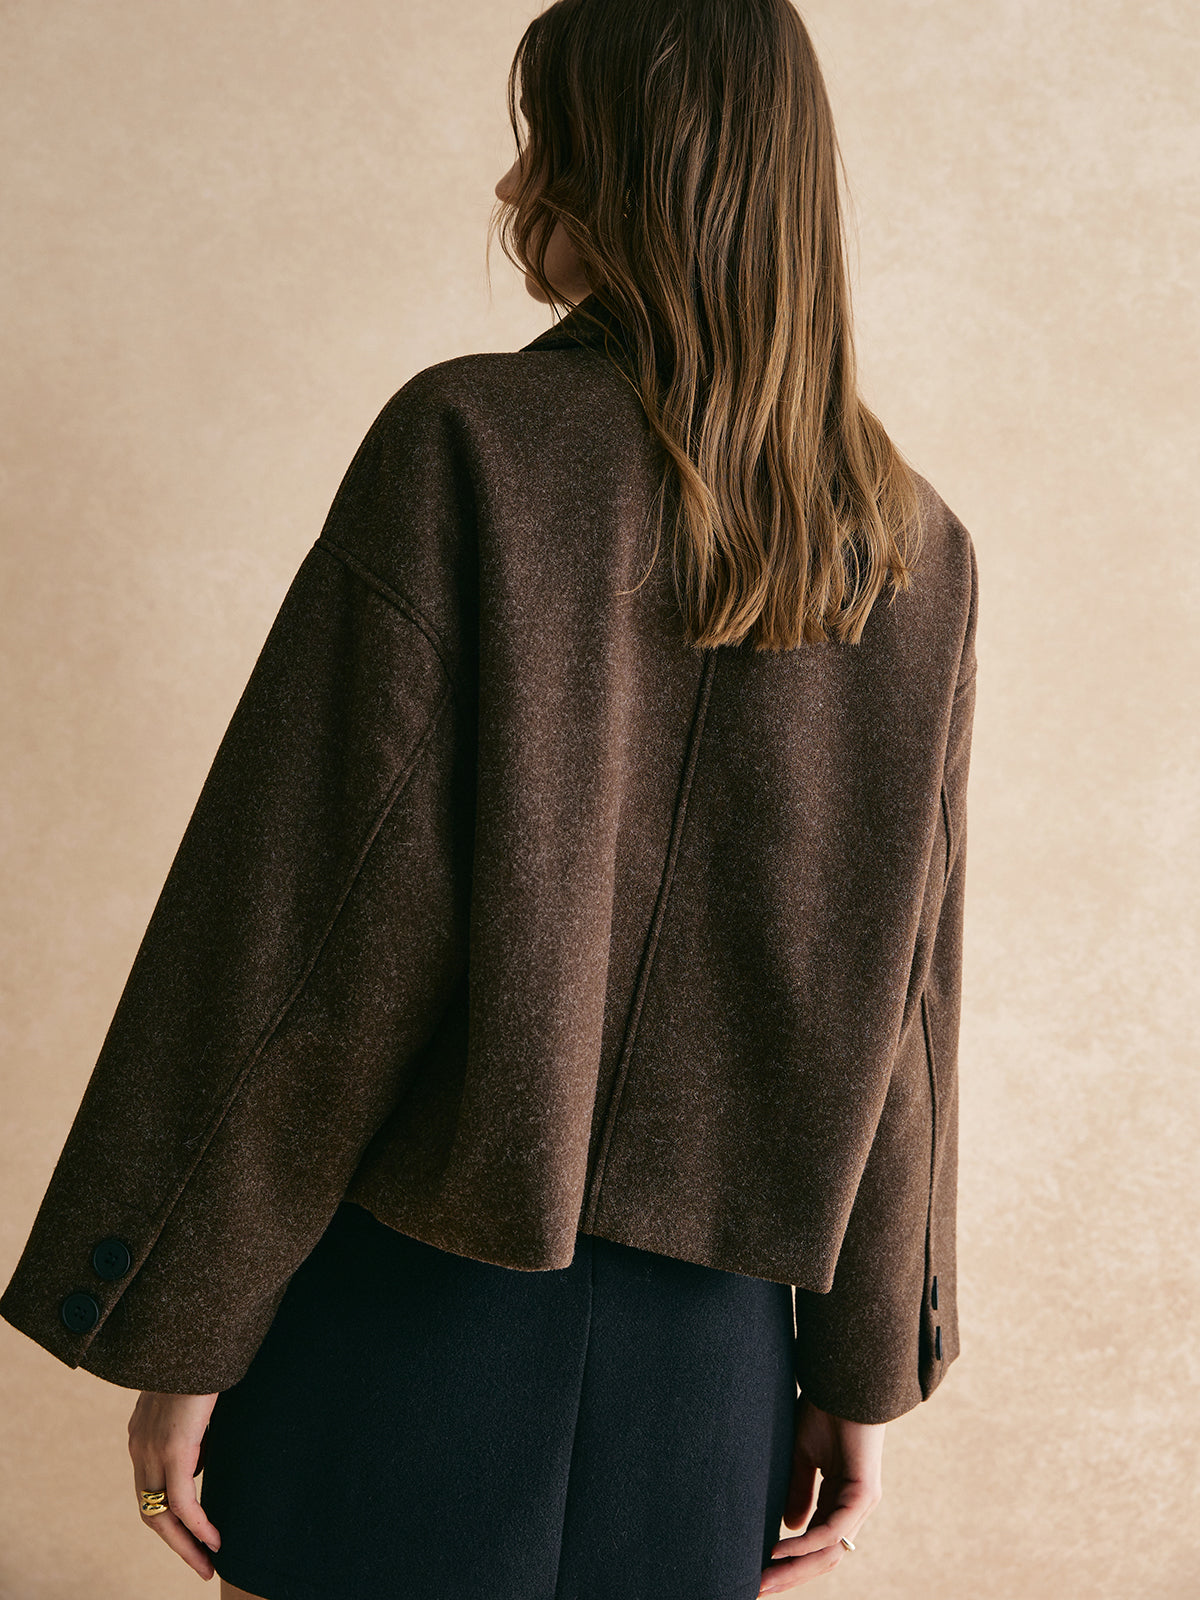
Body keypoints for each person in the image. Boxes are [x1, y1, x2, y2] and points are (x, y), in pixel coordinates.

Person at [0, 1, 979, 1597]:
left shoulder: (467, 445)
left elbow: (309, 930)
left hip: (412, 1331)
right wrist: (865, 1361)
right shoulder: (914, 547)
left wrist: (182, 1323)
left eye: (547, 142)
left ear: (628, 172)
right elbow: (909, 1016)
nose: (517, 184)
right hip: (714, 1386)